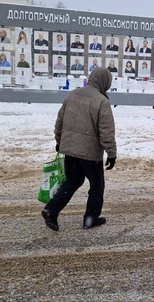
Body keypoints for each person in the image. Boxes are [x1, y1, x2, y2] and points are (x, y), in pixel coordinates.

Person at [41, 68, 117, 231]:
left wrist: (59, 141)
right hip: (90, 154)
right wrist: (111, 153)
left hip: (70, 150)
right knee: (97, 186)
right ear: (105, 82)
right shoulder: (101, 101)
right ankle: (90, 219)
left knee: (73, 181)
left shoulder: (73, 95)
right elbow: (106, 131)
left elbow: (59, 122)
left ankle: (51, 209)